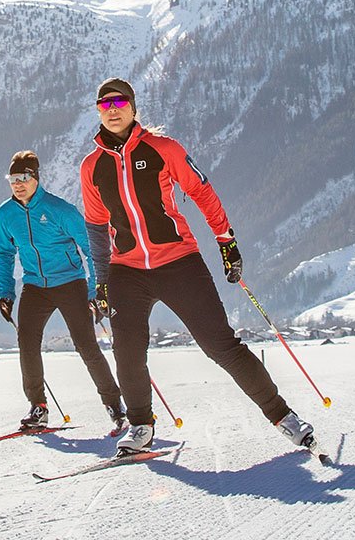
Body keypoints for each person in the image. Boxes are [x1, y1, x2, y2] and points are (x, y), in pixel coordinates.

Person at [79, 77, 315, 457]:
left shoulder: (163, 149)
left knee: (220, 345)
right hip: (127, 269)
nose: (113, 109)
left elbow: (202, 191)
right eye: (104, 105)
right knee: (127, 350)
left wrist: (227, 241)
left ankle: (283, 416)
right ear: (98, 112)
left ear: (134, 107)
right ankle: (141, 426)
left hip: (178, 262)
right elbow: (95, 226)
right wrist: (102, 281)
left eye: (119, 102)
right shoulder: (91, 167)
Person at [0, 150, 125, 433]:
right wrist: (6, 293)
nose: (18, 184)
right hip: (35, 286)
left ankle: (115, 405)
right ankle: (38, 407)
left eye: (24, 178)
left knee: (86, 346)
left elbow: (91, 248)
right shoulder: (6, 214)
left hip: (70, 284)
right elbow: (3, 253)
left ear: (36, 178)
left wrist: (95, 289)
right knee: (27, 342)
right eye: (13, 179)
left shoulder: (59, 210)